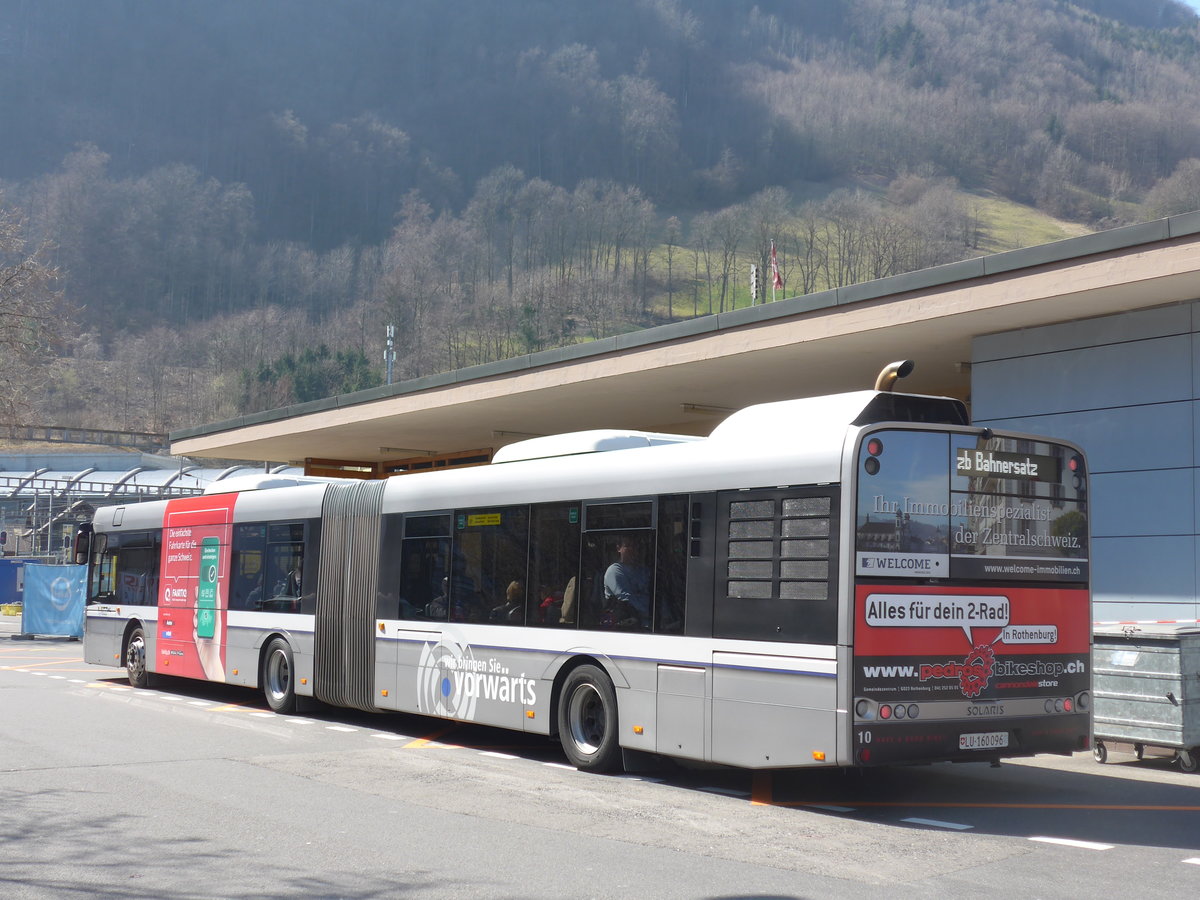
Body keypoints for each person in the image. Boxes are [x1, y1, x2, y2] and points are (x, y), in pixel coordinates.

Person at [603, 536, 651, 627]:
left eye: (634, 546)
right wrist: (650, 612)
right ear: (618, 548)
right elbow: (626, 598)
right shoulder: (614, 570)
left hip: (650, 622)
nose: (632, 549)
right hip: (627, 623)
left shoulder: (643, 570)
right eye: (628, 546)